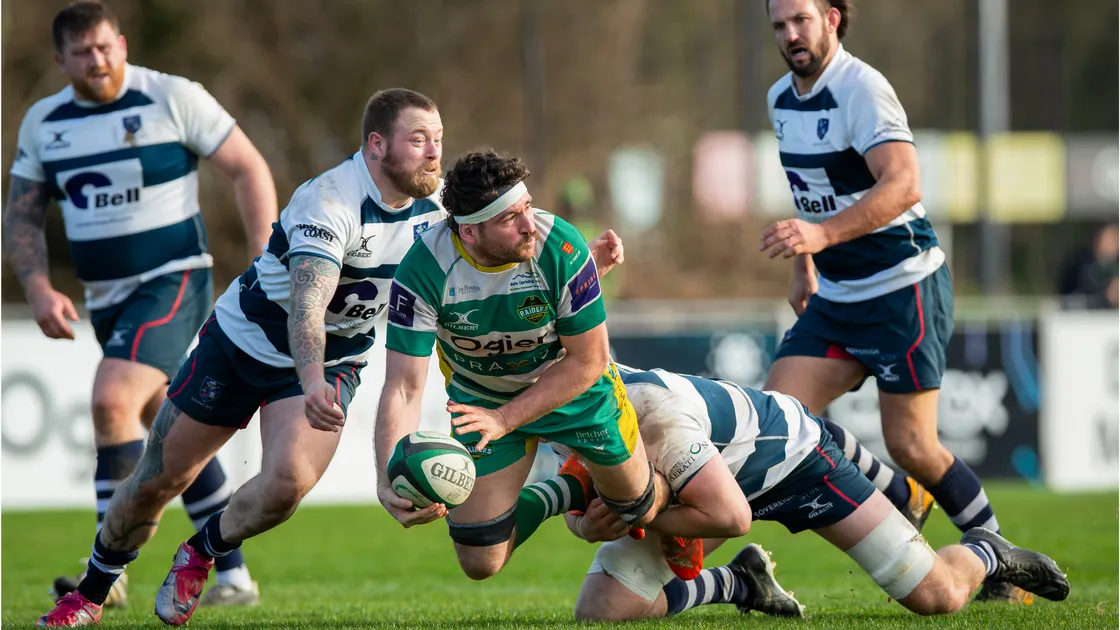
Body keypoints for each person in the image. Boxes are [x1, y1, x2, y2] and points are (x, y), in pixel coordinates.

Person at [33, 87, 451, 627]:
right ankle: (90, 594)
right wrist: (310, 377)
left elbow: (496, 229)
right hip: (243, 343)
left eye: (438, 139)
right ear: (376, 145)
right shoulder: (330, 201)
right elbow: (306, 308)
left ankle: (201, 552)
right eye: (419, 140)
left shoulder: (440, 207)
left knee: (286, 486)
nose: (435, 153)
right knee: (156, 482)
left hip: (334, 359)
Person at [4, 0, 275, 612]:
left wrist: (268, 260)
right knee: (169, 432)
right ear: (61, 60)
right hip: (106, 302)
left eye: (105, 47)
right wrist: (39, 286)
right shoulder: (45, 123)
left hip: (172, 281)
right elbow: (21, 213)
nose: (97, 60)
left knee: (110, 400)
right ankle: (230, 573)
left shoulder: (172, 97)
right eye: (82, 53)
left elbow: (249, 168)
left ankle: (108, 568)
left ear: (122, 44)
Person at [757, 0, 1026, 603]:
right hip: (837, 295)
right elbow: (813, 190)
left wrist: (822, 237)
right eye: (779, 25)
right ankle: (901, 497)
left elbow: (904, 183)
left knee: (913, 445)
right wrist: (806, 259)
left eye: (800, 20)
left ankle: (998, 558)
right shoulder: (781, 98)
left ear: (832, 17)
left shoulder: (862, 87)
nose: (790, 35)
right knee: (779, 417)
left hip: (902, 289)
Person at [374, 150, 690, 583]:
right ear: (470, 231)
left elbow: (590, 360)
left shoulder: (559, 243)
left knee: (638, 507)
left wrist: (506, 418)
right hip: (481, 401)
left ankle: (642, 492)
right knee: (480, 562)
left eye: (527, 207)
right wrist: (388, 475)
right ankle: (571, 487)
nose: (529, 224)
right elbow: (404, 388)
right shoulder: (423, 269)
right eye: (510, 219)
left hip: (572, 386)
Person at [566, 365, 1070, 620]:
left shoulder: (649, 413)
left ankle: (987, 549)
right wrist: (585, 522)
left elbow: (730, 516)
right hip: (709, 477)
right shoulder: (575, 401)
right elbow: (573, 487)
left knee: (937, 596)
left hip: (795, 460)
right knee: (603, 610)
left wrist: (638, 513)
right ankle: (741, 583)